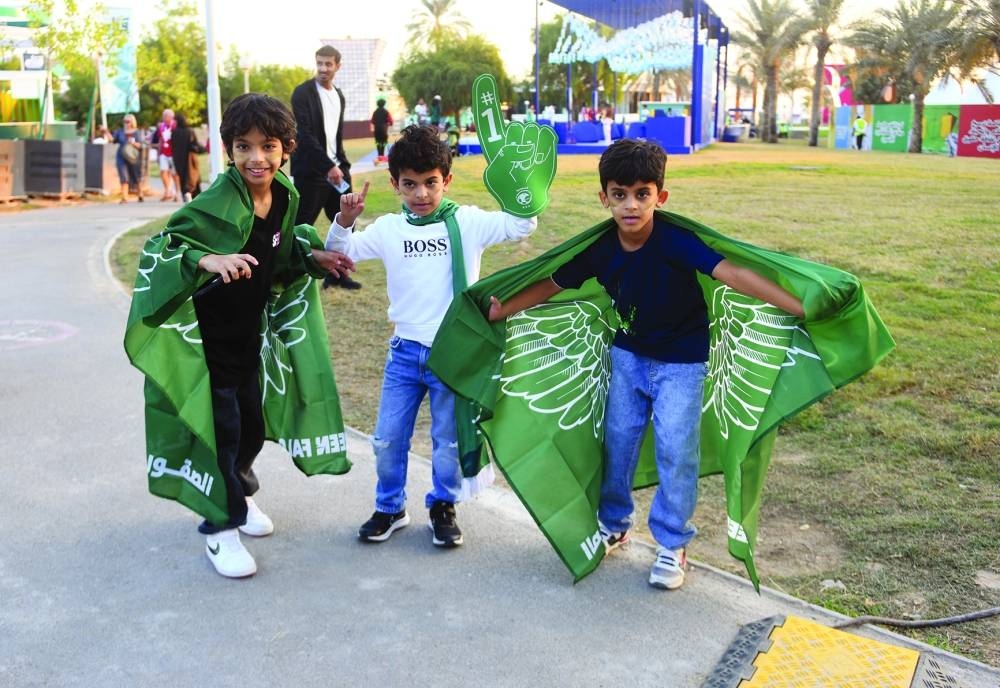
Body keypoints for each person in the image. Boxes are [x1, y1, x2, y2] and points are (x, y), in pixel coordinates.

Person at [486, 139, 803, 590]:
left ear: (661, 197)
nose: (630, 205)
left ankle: (673, 543)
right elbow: (553, 284)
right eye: (619, 194)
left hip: (682, 364)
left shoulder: (675, 241)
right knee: (617, 442)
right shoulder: (601, 250)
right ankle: (614, 524)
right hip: (629, 358)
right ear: (604, 198)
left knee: (677, 450)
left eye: (642, 194)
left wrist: (794, 304)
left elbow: (733, 274)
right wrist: (506, 309)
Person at [124, 93, 355, 579]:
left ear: (286, 148)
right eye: (243, 146)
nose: (256, 158)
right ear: (227, 149)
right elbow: (163, 249)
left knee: (250, 426)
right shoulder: (215, 202)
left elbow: (281, 252)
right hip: (207, 346)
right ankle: (219, 527)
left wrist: (316, 258)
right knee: (223, 435)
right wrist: (207, 260)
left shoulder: (285, 196)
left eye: (267, 146)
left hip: (249, 340)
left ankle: (240, 498)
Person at [326, 124, 537, 548]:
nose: (421, 194)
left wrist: (518, 181)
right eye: (410, 185)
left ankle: (444, 505)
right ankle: (390, 507)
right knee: (387, 438)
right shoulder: (388, 229)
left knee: (446, 443)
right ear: (395, 184)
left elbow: (521, 226)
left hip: (452, 355)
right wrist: (345, 221)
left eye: (430, 183)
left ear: (447, 181)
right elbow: (341, 254)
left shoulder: (468, 222)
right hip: (404, 354)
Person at [290, 44, 361, 290]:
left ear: (337, 66)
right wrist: (328, 165)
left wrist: (338, 163)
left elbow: (336, 136)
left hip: (338, 168)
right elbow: (305, 135)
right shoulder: (302, 93)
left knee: (347, 220)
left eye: (328, 64)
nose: (323, 68)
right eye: (319, 63)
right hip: (311, 171)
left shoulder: (338, 95)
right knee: (301, 224)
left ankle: (337, 275)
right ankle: (292, 275)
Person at [171, 113, 205, 202]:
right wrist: (202, 149)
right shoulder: (189, 131)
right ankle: (190, 195)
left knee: (183, 178)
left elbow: (173, 146)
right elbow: (194, 144)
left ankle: (187, 194)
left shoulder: (174, 132)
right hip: (190, 159)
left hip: (178, 159)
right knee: (192, 177)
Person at [112, 113, 144, 204]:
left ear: (132, 122)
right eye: (124, 121)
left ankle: (140, 194)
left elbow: (141, 145)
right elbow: (113, 140)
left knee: (136, 176)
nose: (126, 123)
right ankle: (125, 197)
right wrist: (106, 132)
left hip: (133, 156)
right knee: (123, 176)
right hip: (121, 155)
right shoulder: (120, 132)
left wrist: (133, 143)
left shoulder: (137, 132)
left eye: (128, 121)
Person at [152, 108, 179, 201]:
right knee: (163, 172)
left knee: (175, 173)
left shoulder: (175, 125)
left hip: (173, 152)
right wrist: (158, 152)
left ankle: (178, 193)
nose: (164, 118)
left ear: (171, 117)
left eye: (166, 116)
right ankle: (168, 190)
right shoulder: (161, 126)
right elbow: (159, 139)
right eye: (163, 116)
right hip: (164, 151)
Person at [370, 97, 393, 162]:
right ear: (384, 104)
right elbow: (391, 121)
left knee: (378, 144)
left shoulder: (375, 112)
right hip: (383, 131)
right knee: (383, 144)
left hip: (376, 131)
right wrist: (387, 124)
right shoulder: (386, 112)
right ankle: (382, 156)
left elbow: (372, 121)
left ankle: (379, 156)